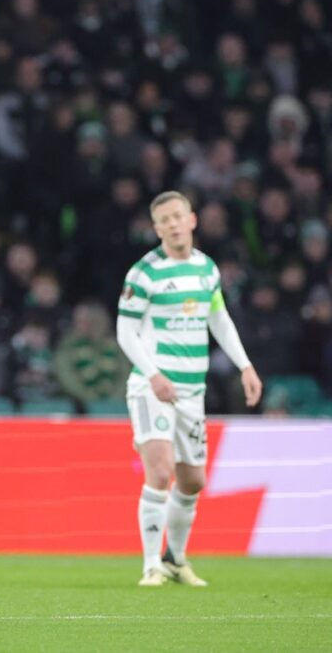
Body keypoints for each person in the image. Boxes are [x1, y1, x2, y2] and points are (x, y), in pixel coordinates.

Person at [116, 191, 262, 587]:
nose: (174, 224)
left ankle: (175, 560)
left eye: (178, 216)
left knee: (193, 480)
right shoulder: (144, 273)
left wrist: (245, 365)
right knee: (160, 471)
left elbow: (219, 319)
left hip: (191, 391)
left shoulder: (206, 269)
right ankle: (150, 566)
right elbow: (126, 331)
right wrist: (153, 375)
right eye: (165, 220)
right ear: (156, 228)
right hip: (152, 387)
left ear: (192, 220)